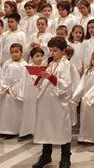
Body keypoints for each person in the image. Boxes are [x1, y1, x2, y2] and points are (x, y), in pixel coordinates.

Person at [32, 37, 73, 168]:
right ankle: (46, 155)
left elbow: (66, 84)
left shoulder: (66, 64)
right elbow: (37, 82)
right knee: (46, 127)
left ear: (63, 51)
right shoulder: (47, 62)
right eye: (50, 50)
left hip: (59, 101)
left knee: (62, 128)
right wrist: (39, 73)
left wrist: (50, 77)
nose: (52, 53)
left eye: (55, 50)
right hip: (46, 100)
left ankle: (65, 157)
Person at [71, 50, 94, 144]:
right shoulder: (88, 70)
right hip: (85, 99)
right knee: (85, 118)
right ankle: (84, 137)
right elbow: (81, 84)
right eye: (93, 59)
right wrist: (76, 96)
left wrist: (91, 98)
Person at [0, 43, 27, 139]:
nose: (14, 54)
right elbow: (2, 76)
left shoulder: (24, 65)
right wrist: (4, 87)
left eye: (16, 52)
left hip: (17, 91)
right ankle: (5, 129)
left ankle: (14, 130)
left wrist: (15, 89)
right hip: (6, 90)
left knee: (15, 111)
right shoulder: (7, 63)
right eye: (12, 52)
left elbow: (23, 80)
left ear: (21, 52)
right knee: (5, 111)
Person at [18, 47, 45, 141]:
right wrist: (22, 93)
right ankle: (27, 132)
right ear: (32, 57)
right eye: (37, 56)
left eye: (41, 56)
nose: (40, 58)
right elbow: (23, 81)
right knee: (28, 113)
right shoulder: (27, 68)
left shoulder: (45, 67)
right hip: (29, 94)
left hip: (40, 94)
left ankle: (40, 132)